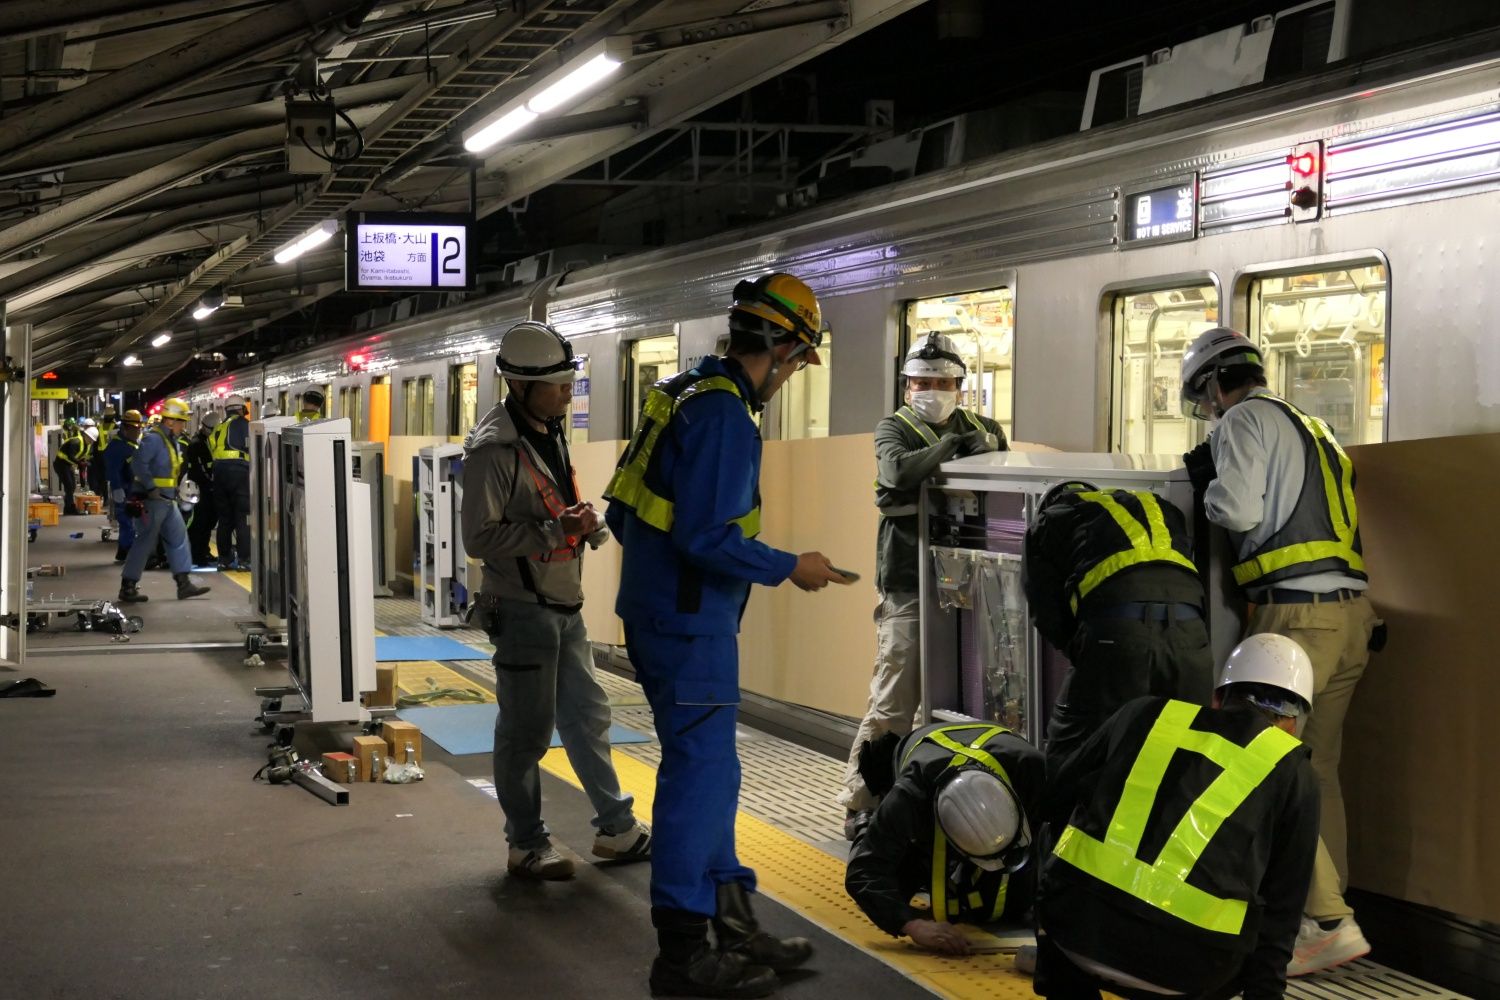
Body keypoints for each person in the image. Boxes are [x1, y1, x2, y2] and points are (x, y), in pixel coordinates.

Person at [605, 271, 850, 999]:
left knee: (715, 777)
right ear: (776, 347)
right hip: (690, 626)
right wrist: (788, 566)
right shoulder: (725, 419)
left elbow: (626, 514)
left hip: (662, 615)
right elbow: (707, 535)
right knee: (697, 781)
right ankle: (682, 958)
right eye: (800, 359)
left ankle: (737, 926)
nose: (795, 374)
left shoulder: (677, 395)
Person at [1180, 327, 1378, 975]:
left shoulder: (1241, 422)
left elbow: (1234, 511)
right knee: (1318, 770)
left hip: (1298, 618)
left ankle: (1326, 922)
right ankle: (1321, 909)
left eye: (1203, 398)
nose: (1207, 410)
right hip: (1352, 617)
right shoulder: (1313, 426)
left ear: (1214, 385)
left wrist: (1206, 481)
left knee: (1265, 762)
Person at [459, 320, 652, 882]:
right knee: (525, 733)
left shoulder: (547, 429)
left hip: (564, 606)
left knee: (588, 717)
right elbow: (479, 540)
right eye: (560, 384)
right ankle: (525, 843)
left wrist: (581, 525)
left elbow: (552, 504)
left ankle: (617, 829)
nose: (570, 392)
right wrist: (552, 531)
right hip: (521, 610)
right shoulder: (492, 451)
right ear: (520, 385)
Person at [1034, 633, 1322, 999]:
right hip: (1190, 971)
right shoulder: (1295, 771)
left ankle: (1059, 986)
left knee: (1053, 832)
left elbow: (1053, 796)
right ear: (1293, 724)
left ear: (1218, 699)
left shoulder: (1142, 712)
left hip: (1075, 935)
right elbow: (1282, 914)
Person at [840, 332, 1007, 838]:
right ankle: (861, 801)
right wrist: (954, 449)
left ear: (959, 385)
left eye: (941, 381)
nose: (931, 389)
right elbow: (894, 472)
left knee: (976, 697)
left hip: (973, 588)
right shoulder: (894, 428)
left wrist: (933, 473)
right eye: (921, 381)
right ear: (907, 385)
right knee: (893, 702)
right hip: (909, 587)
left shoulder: (990, 428)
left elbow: (1001, 485)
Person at [1023, 480, 1214, 773]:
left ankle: (1062, 816)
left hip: (1118, 638)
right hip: (1193, 638)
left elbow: (1046, 613)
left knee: (1071, 754)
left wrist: (1085, 649)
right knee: (1181, 760)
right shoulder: (1156, 505)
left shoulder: (1049, 521)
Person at [845, 722, 1044, 955]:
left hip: (996, 758)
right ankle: (867, 822)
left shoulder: (1035, 771)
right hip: (924, 778)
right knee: (888, 892)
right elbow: (862, 874)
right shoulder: (909, 796)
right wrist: (912, 925)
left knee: (1004, 905)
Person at [117, 397, 211, 603]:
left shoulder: (171, 440)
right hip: (153, 500)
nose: (183, 425)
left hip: (167, 499)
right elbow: (139, 464)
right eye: (181, 421)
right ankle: (128, 586)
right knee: (145, 542)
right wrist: (150, 487)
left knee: (179, 538)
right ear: (170, 421)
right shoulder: (153, 439)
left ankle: (183, 584)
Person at [209, 395, 253, 571]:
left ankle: (224, 559)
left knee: (225, 519)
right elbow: (252, 448)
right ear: (242, 409)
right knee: (243, 517)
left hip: (219, 474)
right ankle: (244, 560)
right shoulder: (245, 425)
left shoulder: (218, 428)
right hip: (239, 473)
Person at [102, 410, 144, 562]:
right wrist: (117, 488)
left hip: (130, 489)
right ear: (126, 428)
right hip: (123, 489)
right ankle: (127, 552)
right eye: (136, 429)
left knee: (129, 521)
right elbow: (113, 470)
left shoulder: (128, 444)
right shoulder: (117, 446)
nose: (138, 432)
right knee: (127, 522)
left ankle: (123, 552)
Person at [183, 412, 219, 568]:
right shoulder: (197, 444)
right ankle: (197, 555)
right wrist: (212, 482)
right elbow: (201, 469)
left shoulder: (206, 441)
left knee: (208, 522)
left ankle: (203, 551)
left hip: (207, 489)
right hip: (200, 490)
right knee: (200, 523)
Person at [54, 418, 86, 515]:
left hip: (69, 463)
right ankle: (70, 507)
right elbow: (70, 454)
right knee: (69, 486)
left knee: (72, 486)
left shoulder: (79, 437)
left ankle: (68, 507)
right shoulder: (73, 438)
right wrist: (78, 462)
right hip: (62, 463)